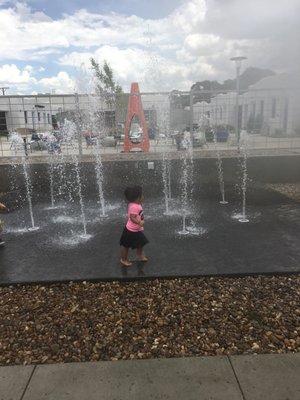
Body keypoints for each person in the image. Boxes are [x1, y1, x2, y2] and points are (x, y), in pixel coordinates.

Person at [119, 186, 149, 267]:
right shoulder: (135, 206)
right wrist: (139, 222)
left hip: (136, 230)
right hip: (130, 231)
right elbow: (132, 218)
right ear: (137, 198)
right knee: (126, 246)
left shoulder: (135, 204)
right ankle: (124, 259)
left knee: (141, 242)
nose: (143, 196)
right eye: (142, 195)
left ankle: (140, 255)